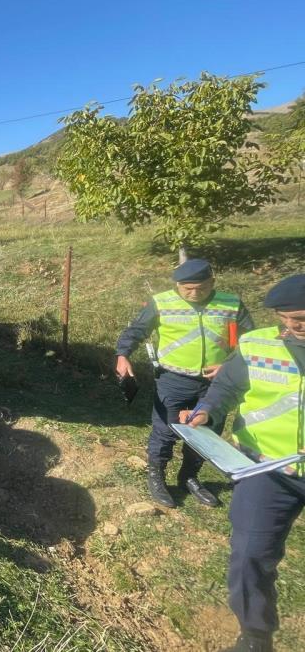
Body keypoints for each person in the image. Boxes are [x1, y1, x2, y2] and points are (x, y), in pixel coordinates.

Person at [183, 274, 305, 652]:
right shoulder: (257, 345)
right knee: (250, 552)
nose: (290, 329)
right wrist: (205, 409)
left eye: (299, 320)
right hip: (266, 468)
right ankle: (255, 635)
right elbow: (227, 385)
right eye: (284, 320)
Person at [115, 258, 253, 508]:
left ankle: (189, 476)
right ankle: (157, 476)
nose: (193, 293)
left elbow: (250, 341)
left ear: (212, 282)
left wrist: (229, 364)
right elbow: (136, 330)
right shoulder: (162, 302)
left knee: (205, 433)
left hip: (216, 384)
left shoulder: (231, 304)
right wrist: (123, 355)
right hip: (173, 380)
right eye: (186, 288)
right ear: (177, 285)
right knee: (165, 431)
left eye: (200, 287)